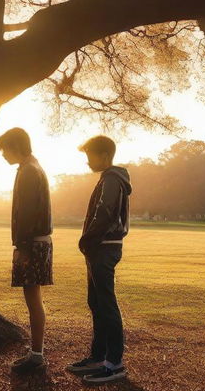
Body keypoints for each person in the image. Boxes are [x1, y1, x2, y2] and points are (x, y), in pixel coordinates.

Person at [66, 135, 132, 385]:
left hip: (103, 248)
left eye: (90, 156)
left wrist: (87, 241)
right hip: (102, 247)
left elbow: (104, 213)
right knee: (96, 302)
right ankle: (99, 356)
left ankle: (114, 363)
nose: (87, 162)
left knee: (105, 303)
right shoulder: (110, 178)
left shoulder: (112, 179)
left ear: (104, 155)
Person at [0, 127, 52, 374]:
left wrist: (22, 248)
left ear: (16, 146)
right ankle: (36, 352)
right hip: (37, 242)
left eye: (4, 150)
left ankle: (36, 355)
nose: (2, 155)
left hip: (33, 244)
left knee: (32, 299)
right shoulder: (30, 168)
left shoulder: (29, 171)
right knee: (33, 298)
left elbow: (27, 213)